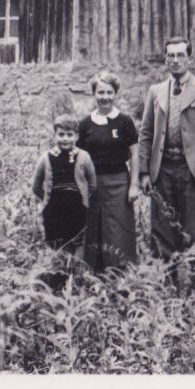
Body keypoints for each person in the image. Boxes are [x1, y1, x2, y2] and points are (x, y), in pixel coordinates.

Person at [137, 34, 195, 287]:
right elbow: (145, 134)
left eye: (180, 55)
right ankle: (170, 286)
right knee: (164, 231)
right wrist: (144, 172)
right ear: (165, 59)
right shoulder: (156, 92)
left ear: (190, 58)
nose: (175, 60)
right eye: (171, 55)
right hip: (163, 171)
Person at [76, 70, 139, 272]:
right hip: (92, 184)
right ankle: (93, 274)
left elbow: (135, 155)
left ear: (115, 94)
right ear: (94, 94)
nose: (105, 97)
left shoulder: (125, 122)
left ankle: (120, 273)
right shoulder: (85, 124)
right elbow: (79, 158)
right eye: (100, 92)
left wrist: (134, 185)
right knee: (93, 228)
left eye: (109, 92)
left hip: (119, 182)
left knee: (118, 229)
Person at [30, 114, 97, 260]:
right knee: (56, 243)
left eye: (69, 134)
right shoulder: (45, 158)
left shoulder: (84, 157)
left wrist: (84, 199)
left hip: (77, 208)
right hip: (53, 209)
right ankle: (57, 272)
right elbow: (36, 185)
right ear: (54, 135)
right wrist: (46, 199)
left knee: (78, 241)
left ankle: (76, 271)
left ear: (77, 136)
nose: (65, 138)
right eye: (61, 134)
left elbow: (92, 184)